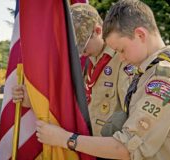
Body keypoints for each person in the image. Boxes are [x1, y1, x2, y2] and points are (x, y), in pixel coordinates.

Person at [13, 1, 170, 159]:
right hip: (101, 148)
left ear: (140, 35)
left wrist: (65, 139)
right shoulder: (145, 70)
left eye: (122, 50)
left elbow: (127, 147)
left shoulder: (162, 79)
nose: (121, 58)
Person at [13, 3, 134, 138]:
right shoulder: (88, 64)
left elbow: (131, 115)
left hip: (111, 148)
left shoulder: (124, 60)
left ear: (98, 31)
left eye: (83, 45)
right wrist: (30, 98)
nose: (81, 53)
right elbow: (72, 101)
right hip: (89, 146)